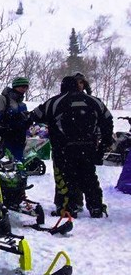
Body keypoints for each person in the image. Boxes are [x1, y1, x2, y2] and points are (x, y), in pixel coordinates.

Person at [30, 75, 113, 218]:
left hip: (63, 148)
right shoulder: (94, 101)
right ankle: (96, 207)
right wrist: (104, 143)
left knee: (65, 178)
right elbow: (107, 120)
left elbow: (34, 116)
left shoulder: (54, 102)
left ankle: (67, 208)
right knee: (89, 177)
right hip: (88, 147)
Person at [0, 77, 30, 161]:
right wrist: (12, 118)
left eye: (26, 87)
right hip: (6, 137)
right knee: (6, 163)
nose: (25, 89)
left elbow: (24, 119)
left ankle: (20, 172)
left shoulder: (22, 104)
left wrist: (27, 122)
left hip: (19, 138)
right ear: (16, 86)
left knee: (18, 162)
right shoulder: (2, 99)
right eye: (23, 87)